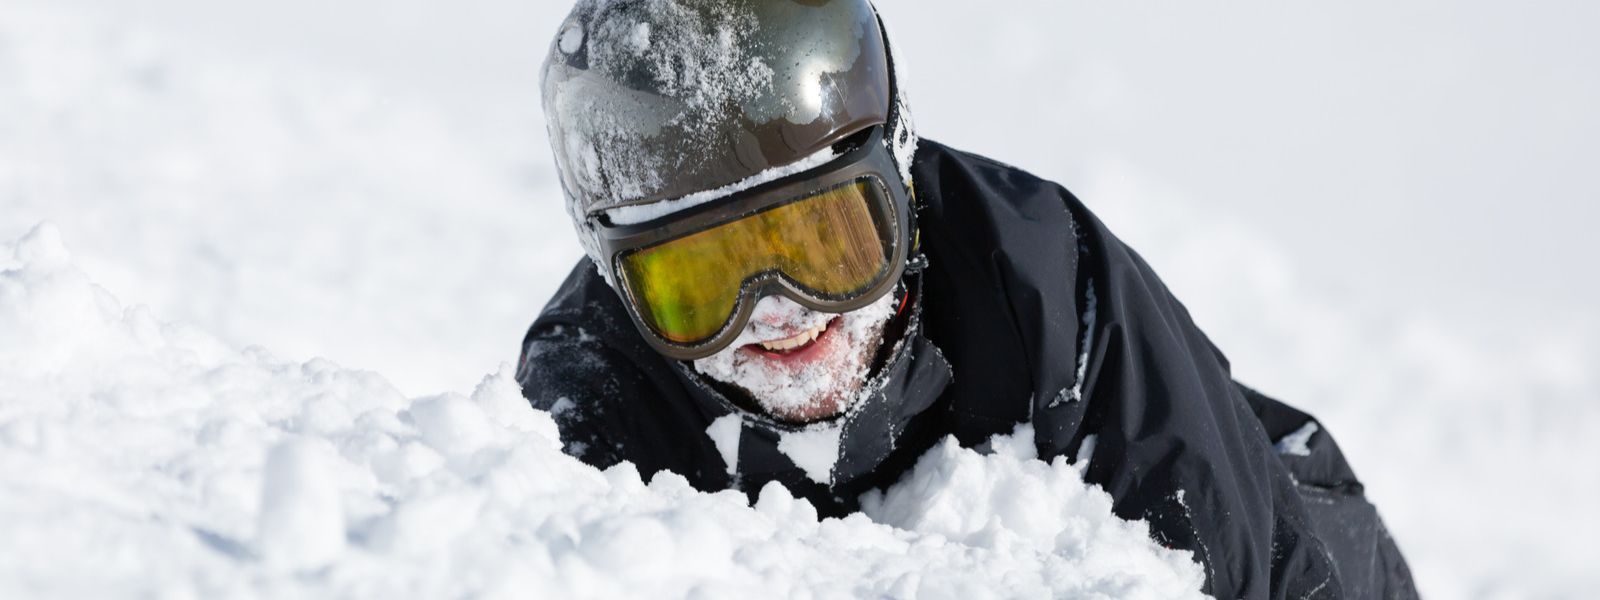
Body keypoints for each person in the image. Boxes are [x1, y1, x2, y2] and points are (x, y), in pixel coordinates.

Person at [518, 1, 1417, 597]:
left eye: (825, 246)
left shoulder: (1038, 284)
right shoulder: (591, 392)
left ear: (899, 186)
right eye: (702, 283)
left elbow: (1264, 565)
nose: (779, 314)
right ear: (617, 279)